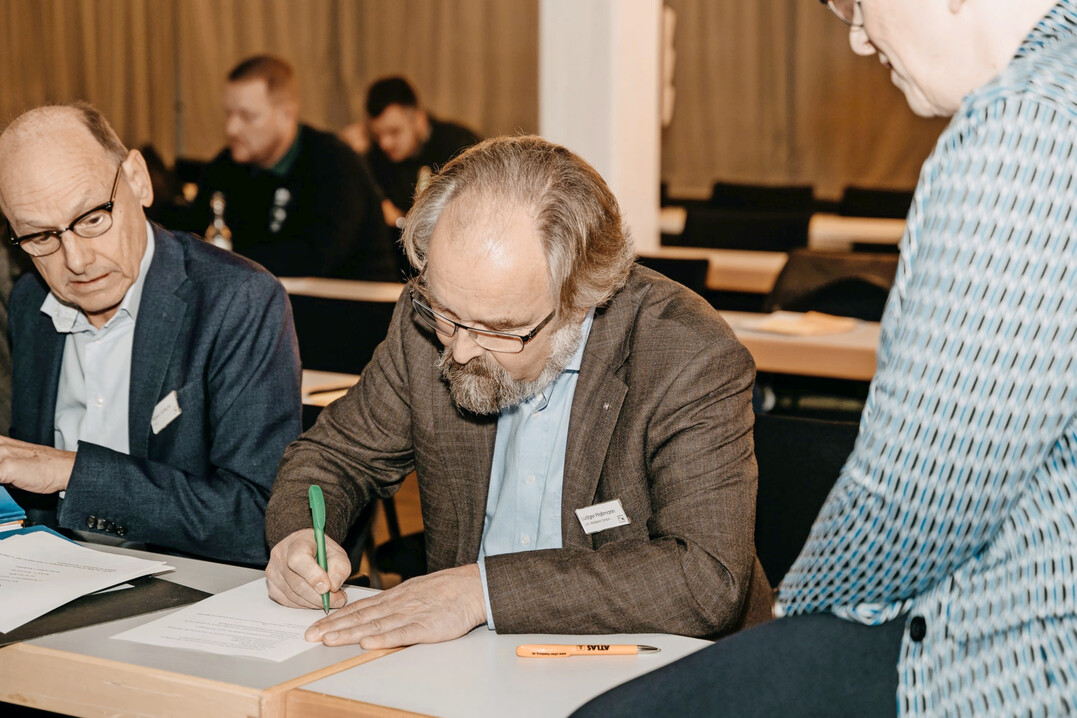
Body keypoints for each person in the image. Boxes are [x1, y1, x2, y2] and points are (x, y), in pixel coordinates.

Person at [574, 0, 1077, 715]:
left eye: (858, 3)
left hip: (1015, 654)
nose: (859, 37)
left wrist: (795, 614)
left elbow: (923, 492)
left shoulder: (1024, 123)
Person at [264, 135, 773, 648]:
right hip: (471, 662)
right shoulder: (433, 317)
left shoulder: (688, 355)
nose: (460, 349)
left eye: (499, 328)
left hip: (654, 665)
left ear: (581, 297)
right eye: (445, 314)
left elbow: (707, 578)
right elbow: (335, 454)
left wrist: (479, 593)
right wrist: (300, 537)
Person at [0, 102, 302, 565]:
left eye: (93, 218)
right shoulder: (29, 302)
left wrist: (71, 473)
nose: (76, 261)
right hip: (54, 578)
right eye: (41, 237)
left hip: (192, 590)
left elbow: (255, 518)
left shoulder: (236, 299)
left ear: (138, 179)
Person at [187, 55, 398, 281]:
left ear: (286, 115)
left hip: (348, 308)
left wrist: (224, 260)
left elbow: (314, 258)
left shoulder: (334, 164)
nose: (232, 128)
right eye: (229, 114)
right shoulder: (224, 167)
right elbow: (191, 239)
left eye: (247, 116)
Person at [363, 77, 480, 229]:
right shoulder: (375, 158)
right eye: (378, 135)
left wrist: (399, 220)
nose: (385, 143)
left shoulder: (461, 146)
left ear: (419, 119)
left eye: (394, 132)